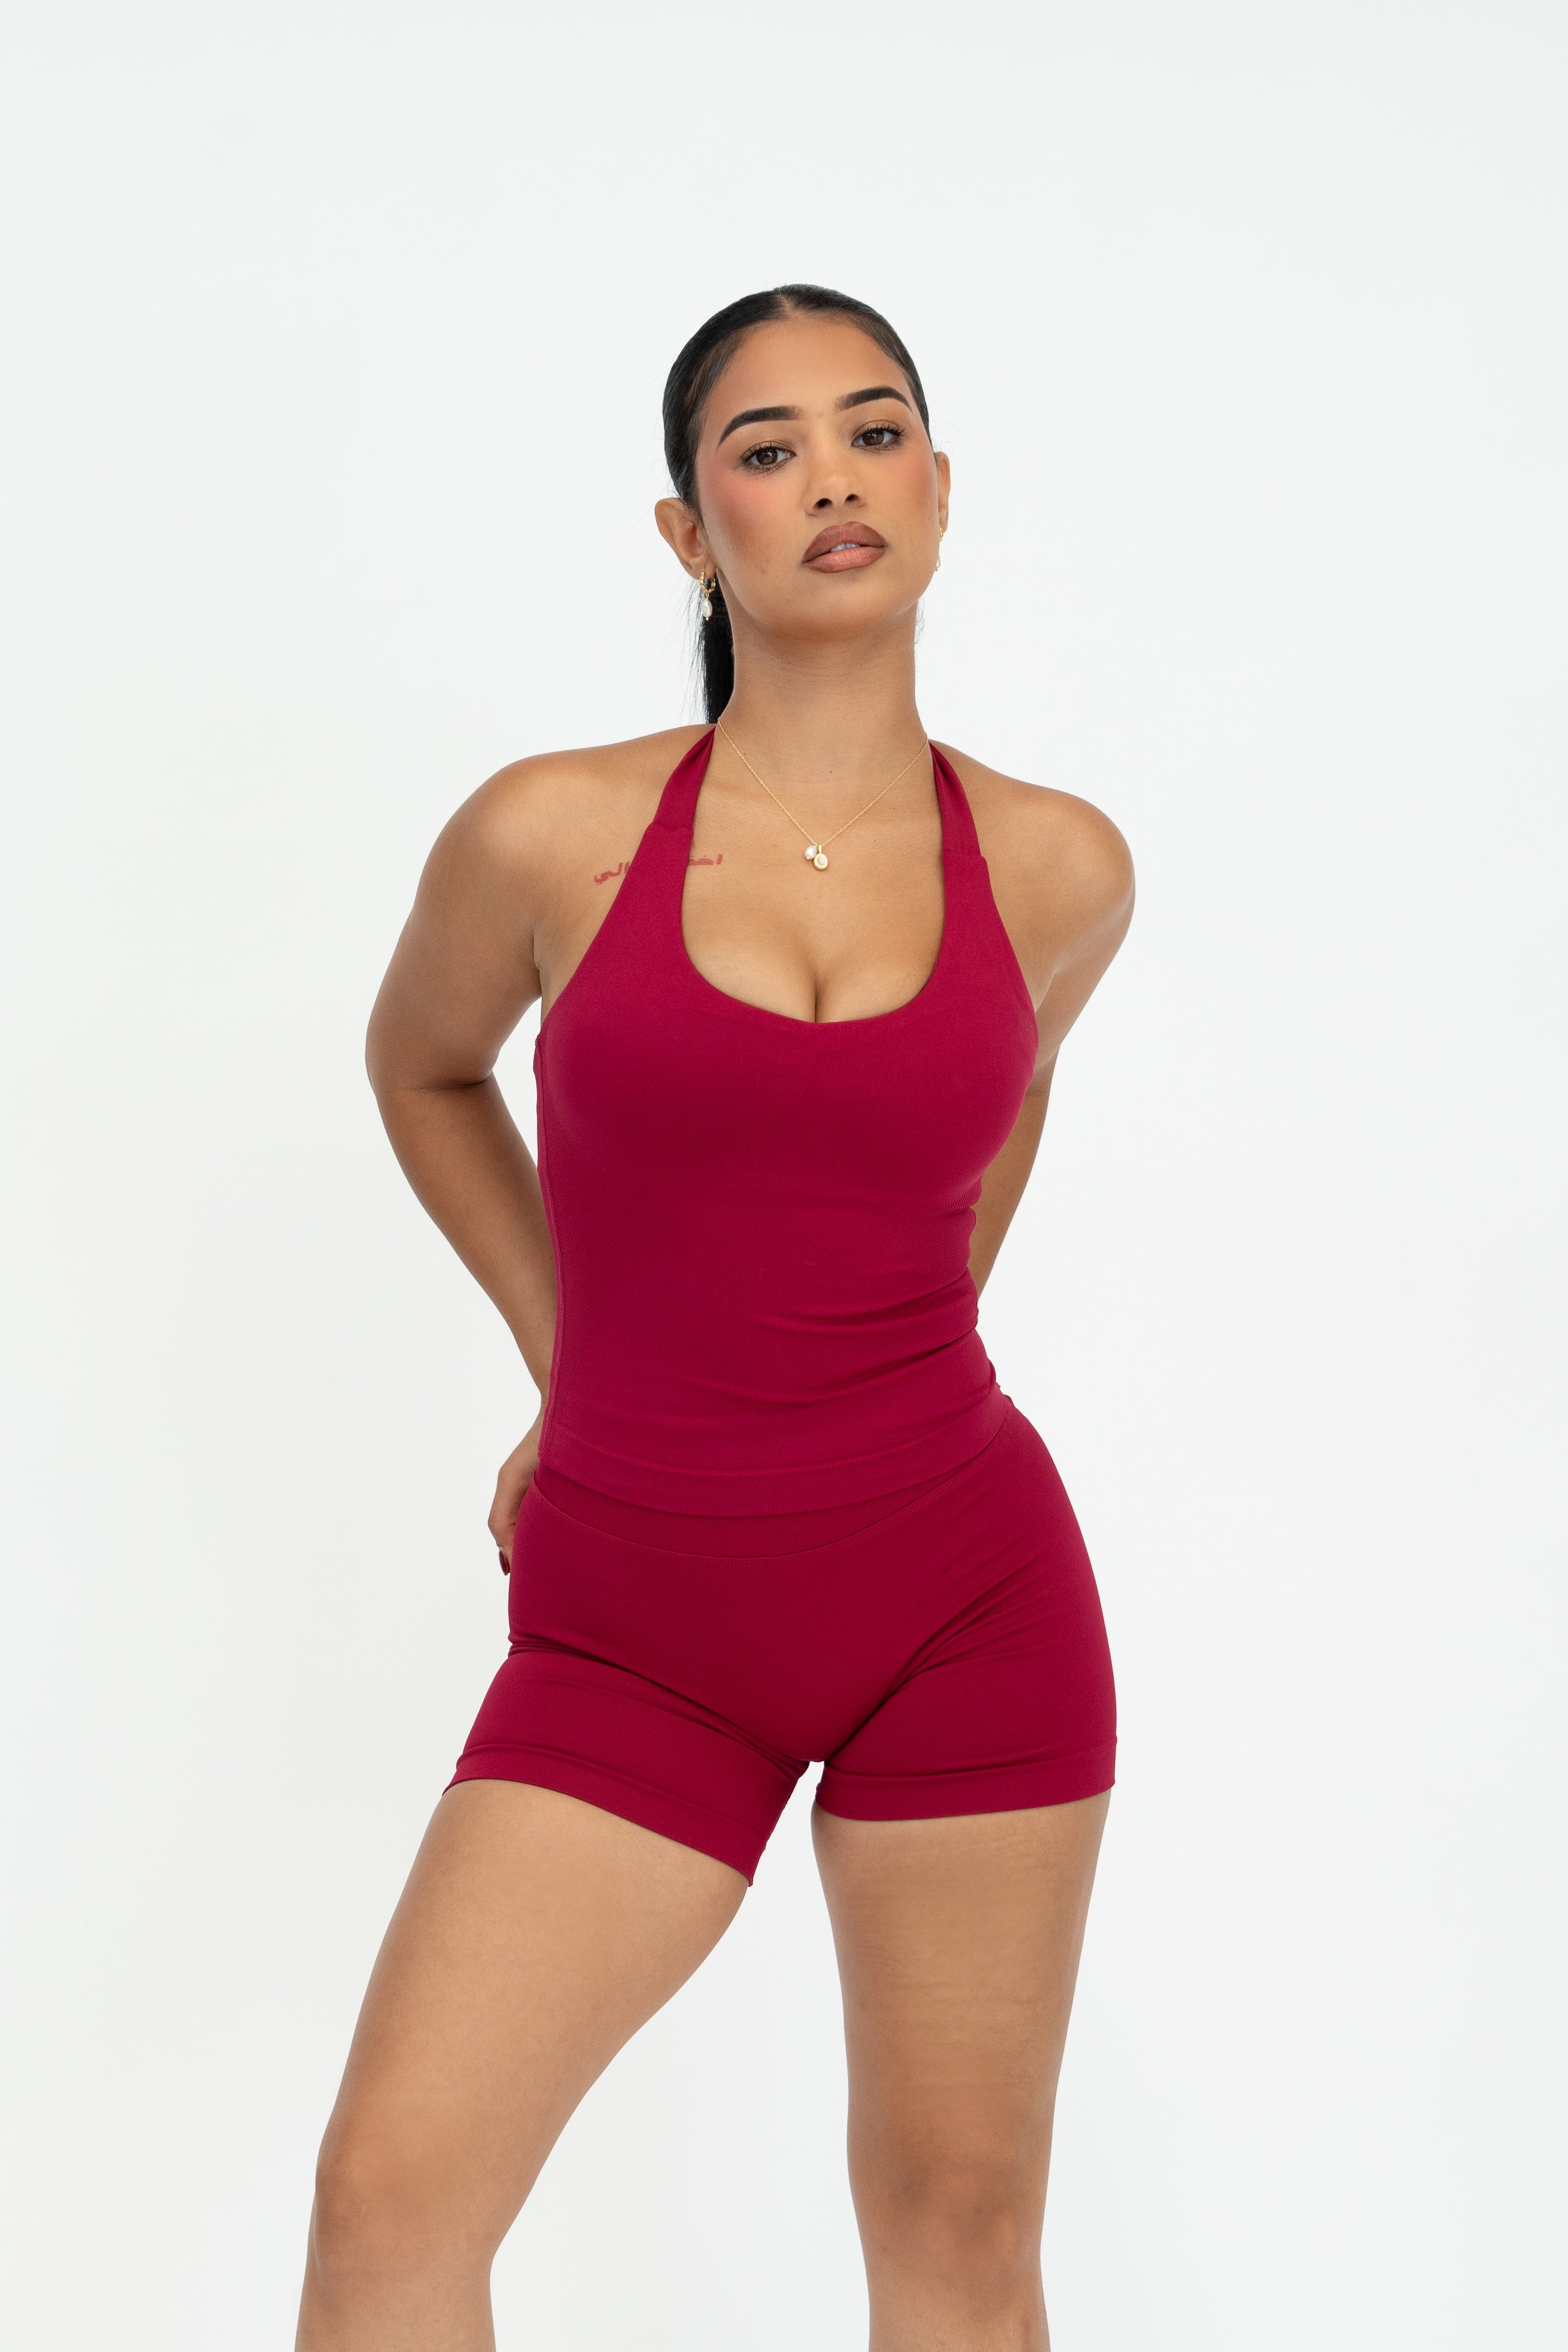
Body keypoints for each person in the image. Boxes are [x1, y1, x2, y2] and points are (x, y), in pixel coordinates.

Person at [295, 283, 1135, 2352]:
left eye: (875, 429)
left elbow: (975, 1158)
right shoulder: (552, 833)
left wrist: (836, 1363)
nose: (833, 476)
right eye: (768, 450)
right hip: (641, 1617)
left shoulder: (1058, 867)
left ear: (940, 488)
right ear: (691, 531)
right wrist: (578, 1361)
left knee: (958, 2225)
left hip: (963, 1593)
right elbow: (423, 1069)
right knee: (393, 2202)